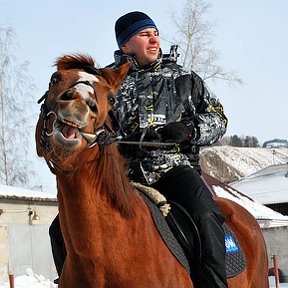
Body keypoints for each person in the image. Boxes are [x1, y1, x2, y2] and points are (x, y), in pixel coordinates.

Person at [49, 11, 228, 288]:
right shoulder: (105, 83)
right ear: (125, 45)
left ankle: (213, 284)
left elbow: (219, 119)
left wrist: (188, 130)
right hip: (122, 175)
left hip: (173, 169)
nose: (154, 39)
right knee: (59, 229)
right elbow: (91, 129)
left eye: (155, 33)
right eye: (145, 34)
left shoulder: (183, 78)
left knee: (206, 214)